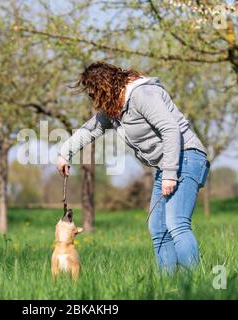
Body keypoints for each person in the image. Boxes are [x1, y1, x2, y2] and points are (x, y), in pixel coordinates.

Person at [56, 61, 210, 274]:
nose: (93, 100)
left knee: (176, 223)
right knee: (158, 228)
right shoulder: (115, 109)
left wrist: (170, 174)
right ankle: (171, 288)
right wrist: (65, 153)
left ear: (105, 88)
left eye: (94, 94)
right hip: (165, 165)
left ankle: (195, 285)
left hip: (186, 157)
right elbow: (89, 130)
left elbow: (171, 129)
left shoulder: (142, 95)